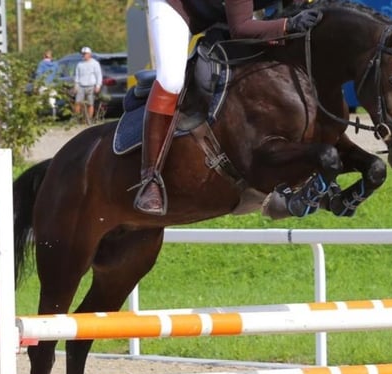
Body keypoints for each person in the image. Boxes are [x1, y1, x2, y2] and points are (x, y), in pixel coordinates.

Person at [133, 0, 322, 216]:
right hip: (179, 8)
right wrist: (287, 24)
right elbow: (241, 28)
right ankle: (150, 179)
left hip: (224, 11)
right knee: (171, 80)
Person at [74, 46, 103, 121]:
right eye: (83, 54)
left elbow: (98, 75)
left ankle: (89, 119)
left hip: (91, 86)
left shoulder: (95, 63)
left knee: (90, 104)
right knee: (78, 103)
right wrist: (76, 85)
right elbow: (77, 75)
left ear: (89, 54)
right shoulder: (80, 64)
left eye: (85, 53)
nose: (84, 55)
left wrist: (98, 85)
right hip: (81, 86)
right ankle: (78, 119)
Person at [35, 50, 59, 117]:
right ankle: (53, 117)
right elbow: (58, 74)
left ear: (44, 56)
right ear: (51, 57)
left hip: (43, 85)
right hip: (53, 85)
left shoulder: (41, 64)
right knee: (52, 102)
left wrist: (36, 85)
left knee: (40, 102)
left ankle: (40, 117)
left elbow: (38, 75)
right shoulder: (55, 64)